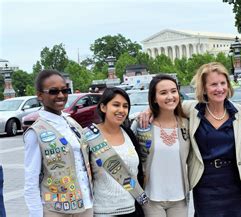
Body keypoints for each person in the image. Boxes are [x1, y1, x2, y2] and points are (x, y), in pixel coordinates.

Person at [139, 62, 241, 216]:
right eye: (213, 84)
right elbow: (168, 104)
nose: (219, 89)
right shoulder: (193, 109)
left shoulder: (239, 111)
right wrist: (149, 110)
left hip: (235, 181)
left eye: (223, 83)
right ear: (204, 88)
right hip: (205, 184)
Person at [24, 69, 93, 216]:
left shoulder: (72, 123)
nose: (61, 95)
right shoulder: (36, 132)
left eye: (64, 90)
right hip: (56, 209)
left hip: (86, 204)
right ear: (39, 95)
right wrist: (36, 214)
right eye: (53, 91)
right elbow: (31, 179)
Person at [131, 74, 190, 217]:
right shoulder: (142, 124)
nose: (170, 96)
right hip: (151, 199)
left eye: (173, 91)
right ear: (154, 99)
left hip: (180, 199)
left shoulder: (187, 123)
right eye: (163, 93)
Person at [84, 87, 147, 216]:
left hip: (133, 209)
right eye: (116, 105)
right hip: (103, 212)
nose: (121, 110)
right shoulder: (88, 137)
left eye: (125, 106)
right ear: (103, 107)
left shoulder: (129, 134)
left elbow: (139, 171)